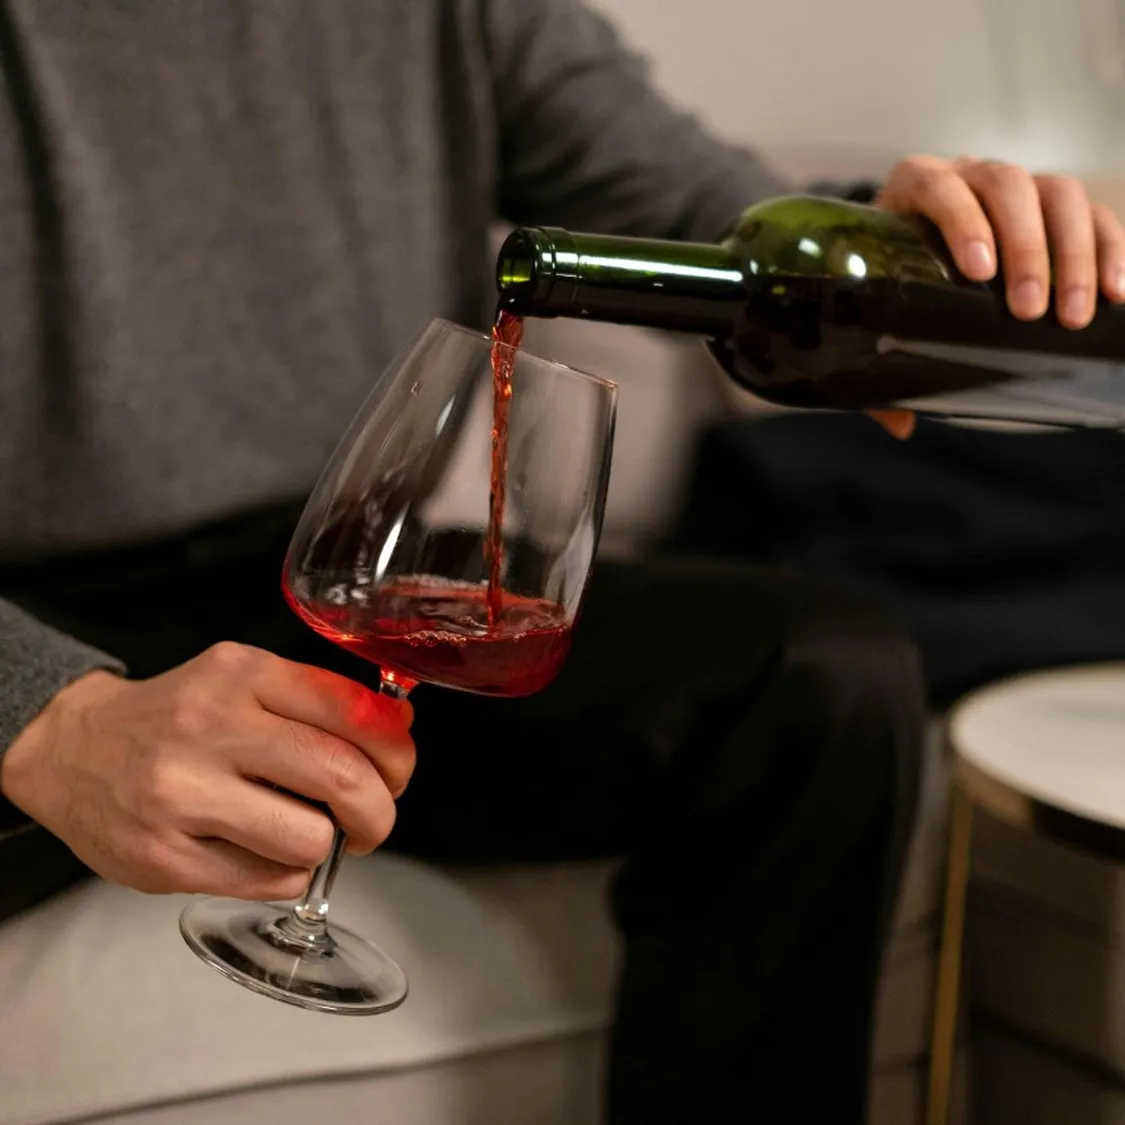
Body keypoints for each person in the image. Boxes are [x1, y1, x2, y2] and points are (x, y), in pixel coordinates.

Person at [0, 2, 1121, 1122]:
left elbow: (703, 197)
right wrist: (46, 716)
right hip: (28, 606)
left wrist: (904, 235)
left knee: (823, 674)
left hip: (337, 555)